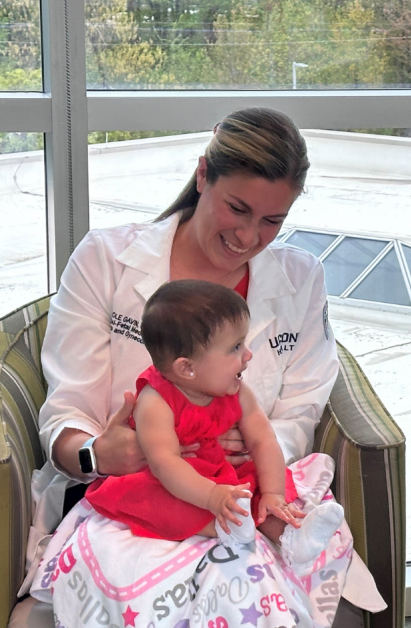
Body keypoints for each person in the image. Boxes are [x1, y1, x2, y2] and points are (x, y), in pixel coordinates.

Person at [24, 108, 385, 625]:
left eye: (272, 220)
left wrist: (255, 448)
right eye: (237, 208)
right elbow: (66, 408)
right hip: (129, 494)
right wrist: (98, 453)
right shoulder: (105, 260)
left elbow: (302, 407)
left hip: (242, 491)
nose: (248, 235)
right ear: (202, 177)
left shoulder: (300, 278)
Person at [82, 280, 344, 576]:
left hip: (221, 473)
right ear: (187, 368)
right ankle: (224, 527)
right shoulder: (155, 402)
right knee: (161, 501)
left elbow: (262, 440)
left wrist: (273, 495)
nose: (248, 354)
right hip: (174, 480)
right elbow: (165, 464)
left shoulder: (236, 391)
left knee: (256, 483)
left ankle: (291, 535)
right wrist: (212, 497)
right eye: (235, 347)